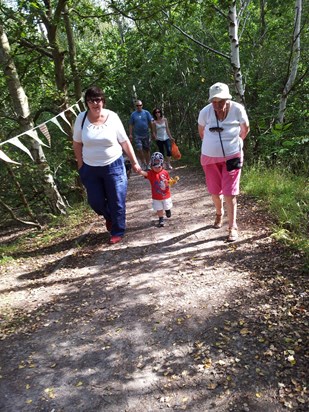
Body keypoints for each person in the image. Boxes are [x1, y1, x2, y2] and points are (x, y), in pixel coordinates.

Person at [73, 86, 141, 245]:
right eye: (91, 100)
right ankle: (110, 216)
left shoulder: (113, 117)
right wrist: (81, 165)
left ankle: (118, 230)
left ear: (103, 101)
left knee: (117, 198)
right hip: (90, 167)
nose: (95, 103)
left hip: (114, 165)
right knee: (95, 201)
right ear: (87, 103)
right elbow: (76, 144)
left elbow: (124, 142)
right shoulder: (81, 119)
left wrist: (135, 162)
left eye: (98, 100)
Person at [198, 82, 250, 242]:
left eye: (221, 101)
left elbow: (245, 128)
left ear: (228, 99)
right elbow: (201, 132)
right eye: (214, 101)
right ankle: (219, 214)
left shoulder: (237, 109)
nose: (217, 105)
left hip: (232, 156)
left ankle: (232, 227)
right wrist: (211, 146)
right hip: (209, 157)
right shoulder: (205, 112)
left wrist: (237, 143)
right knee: (215, 192)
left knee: (229, 192)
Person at [138, 152, 173, 228]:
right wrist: (140, 171)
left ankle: (167, 210)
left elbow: (169, 181)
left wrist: (170, 182)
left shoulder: (165, 172)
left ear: (162, 165)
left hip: (166, 195)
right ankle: (161, 219)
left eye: (159, 167)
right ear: (151, 166)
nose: (157, 168)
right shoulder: (151, 173)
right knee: (159, 208)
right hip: (156, 196)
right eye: (155, 167)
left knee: (166, 206)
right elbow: (145, 174)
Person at [129, 100, 154, 170]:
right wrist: (130, 134)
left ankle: (148, 164)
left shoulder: (146, 113)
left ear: (142, 105)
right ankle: (143, 163)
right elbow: (131, 124)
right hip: (137, 135)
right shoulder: (133, 114)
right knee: (139, 149)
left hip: (146, 134)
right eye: (137, 105)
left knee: (147, 150)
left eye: (140, 105)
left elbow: (151, 122)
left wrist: (153, 132)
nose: (139, 107)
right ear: (136, 106)